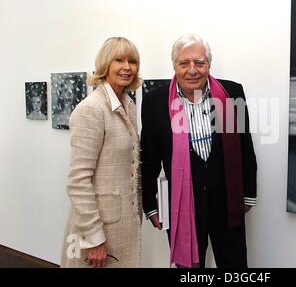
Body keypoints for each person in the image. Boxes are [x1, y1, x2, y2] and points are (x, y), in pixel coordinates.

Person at [141, 34, 257, 268]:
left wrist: (248, 194)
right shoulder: (155, 100)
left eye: (199, 63)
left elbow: (245, 146)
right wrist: (150, 204)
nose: (192, 70)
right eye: (184, 63)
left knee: (234, 264)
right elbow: (149, 157)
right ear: (174, 65)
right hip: (182, 203)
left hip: (228, 202)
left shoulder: (232, 92)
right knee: (189, 268)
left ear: (208, 65)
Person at [61, 37, 143, 268]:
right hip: (98, 229)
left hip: (123, 223)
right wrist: (93, 239)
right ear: (105, 64)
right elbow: (78, 181)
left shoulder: (128, 105)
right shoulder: (90, 109)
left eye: (132, 61)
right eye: (119, 60)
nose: (127, 67)